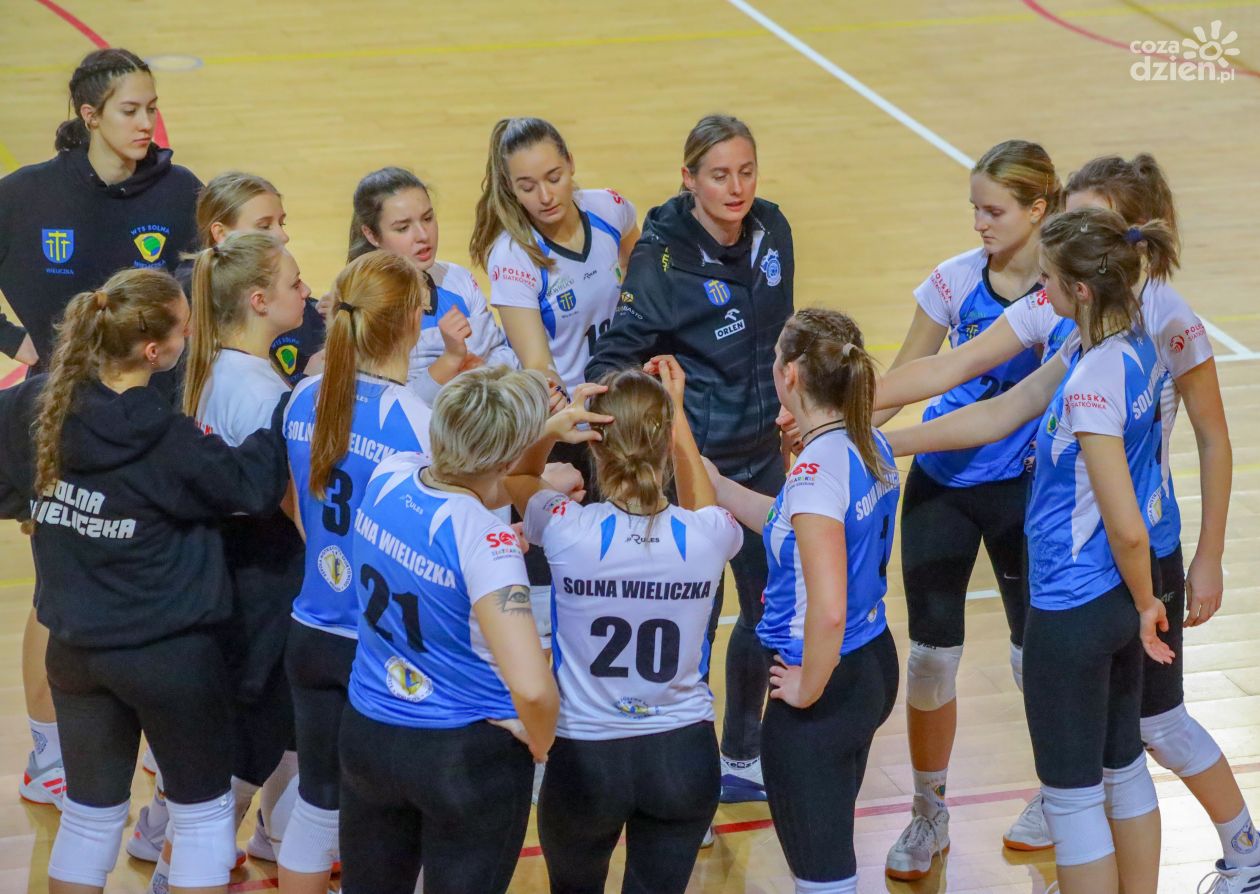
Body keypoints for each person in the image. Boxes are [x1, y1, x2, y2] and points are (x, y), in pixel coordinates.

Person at [874, 154, 1255, 887]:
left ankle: (1246, 849)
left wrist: (1183, 572)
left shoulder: (1119, 354)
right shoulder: (1095, 337)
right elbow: (984, 393)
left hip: (1107, 569)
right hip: (1117, 575)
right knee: (1123, 761)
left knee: (1105, 770)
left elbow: (1154, 490)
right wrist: (869, 433)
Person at [0, 268, 288, 893]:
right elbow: (252, 487)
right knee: (202, 819)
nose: (193, 334)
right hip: (168, 659)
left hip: (75, 652)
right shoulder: (164, 436)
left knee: (87, 821)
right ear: (155, 351)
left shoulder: (34, 404)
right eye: (185, 327)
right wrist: (286, 416)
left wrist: (39, 503)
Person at [0, 48, 201, 808]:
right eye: (130, 110)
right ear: (89, 115)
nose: (147, 123)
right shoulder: (24, 195)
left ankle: (148, 739)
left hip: (154, 420)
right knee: (57, 590)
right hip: (60, 421)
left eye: (152, 107)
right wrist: (15, 340)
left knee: (153, 573)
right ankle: (49, 755)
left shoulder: (180, 192)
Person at [587, 113, 795, 803]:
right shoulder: (662, 260)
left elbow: (782, 336)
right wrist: (659, 427)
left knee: (769, 613)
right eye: (719, 175)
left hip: (765, 457)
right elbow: (612, 359)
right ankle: (688, 777)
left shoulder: (773, 229)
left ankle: (742, 755)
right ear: (689, 178)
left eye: (746, 172)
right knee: (692, 623)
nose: (736, 188)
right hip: (696, 472)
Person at [873, 140, 1061, 878]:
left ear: (1038, 210)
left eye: (994, 211)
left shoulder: (1064, 291)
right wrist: (846, 435)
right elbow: (907, 376)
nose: (979, 223)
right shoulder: (954, 279)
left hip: (1025, 493)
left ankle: (1058, 792)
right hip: (943, 483)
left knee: (1035, 658)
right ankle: (928, 813)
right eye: (974, 209)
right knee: (929, 659)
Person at [505, 361, 741, 892]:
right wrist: (677, 417)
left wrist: (551, 428)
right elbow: (704, 506)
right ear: (664, 442)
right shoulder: (706, 535)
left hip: (587, 759)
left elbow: (516, 478)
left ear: (595, 447)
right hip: (683, 756)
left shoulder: (566, 528)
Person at [339, 367, 577, 893]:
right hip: (462, 757)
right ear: (506, 459)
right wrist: (541, 743)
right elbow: (533, 688)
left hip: (368, 735)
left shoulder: (390, 473)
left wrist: (540, 433)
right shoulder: (489, 544)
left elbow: (456, 496)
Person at [130, 232, 307, 893]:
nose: (307, 292)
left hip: (227, 575)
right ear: (258, 301)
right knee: (246, 750)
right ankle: (178, 870)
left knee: (271, 730)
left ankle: (262, 840)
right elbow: (288, 503)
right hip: (264, 583)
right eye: (294, 283)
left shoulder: (214, 371)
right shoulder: (260, 392)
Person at [706, 309, 898, 893]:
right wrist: (718, 486)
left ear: (790, 374)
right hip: (872, 664)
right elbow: (793, 523)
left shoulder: (815, 472)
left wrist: (808, 688)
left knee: (824, 877)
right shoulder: (866, 440)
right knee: (831, 849)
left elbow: (828, 608)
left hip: (823, 686)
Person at [278, 249, 432, 893]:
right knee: (400, 818)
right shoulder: (417, 421)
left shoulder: (303, 396)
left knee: (316, 808)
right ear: (410, 322)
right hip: (383, 649)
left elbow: (294, 505)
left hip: (311, 629)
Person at [470, 117, 639, 401]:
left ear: (570, 163)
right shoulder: (512, 257)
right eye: (528, 187)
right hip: (572, 409)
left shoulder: (609, 207)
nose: (545, 196)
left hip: (629, 397)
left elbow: (645, 281)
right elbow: (538, 365)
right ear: (510, 186)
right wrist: (564, 405)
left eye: (554, 178)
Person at [347, 166, 517, 405]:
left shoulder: (458, 279)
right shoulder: (362, 309)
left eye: (427, 218)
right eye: (403, 228)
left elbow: (503, 353)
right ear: (371, 235)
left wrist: (481, 372)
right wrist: (450, 361)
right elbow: (388, 406)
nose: (422, 235)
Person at [173, 171, 326, 391]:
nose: (283, 236)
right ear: (221, 233)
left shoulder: (280, 286)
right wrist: (307, 381)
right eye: (264, 226)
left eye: (281, 223)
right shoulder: (194, 303)